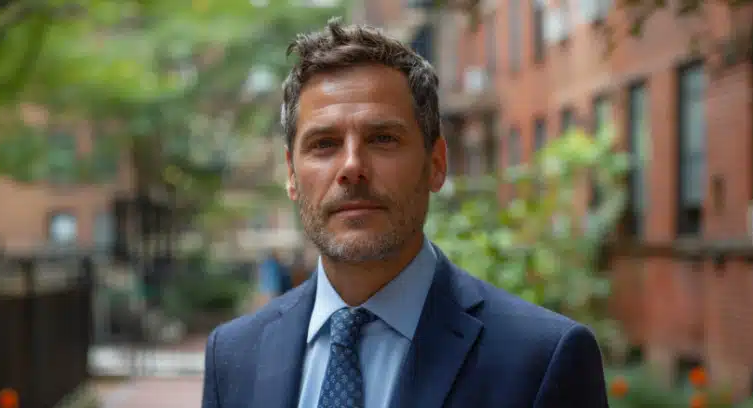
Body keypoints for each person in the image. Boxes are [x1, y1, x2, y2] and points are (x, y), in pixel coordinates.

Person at [202, 18, 609, 408]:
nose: (351, 166)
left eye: (382, 138)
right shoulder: (233, 356)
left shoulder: (541, 360)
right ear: (291, 174)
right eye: (324, 144)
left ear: (435, 163)